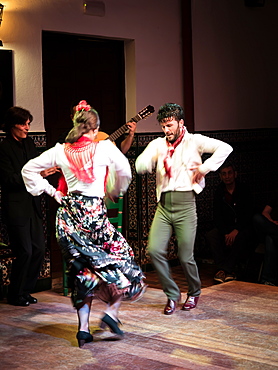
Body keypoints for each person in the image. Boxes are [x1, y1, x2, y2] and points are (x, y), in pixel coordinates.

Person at [22, 100, 146, 347]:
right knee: (123, 262)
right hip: (94, 219)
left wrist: (53, 193)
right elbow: (125, 173)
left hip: (68, 221)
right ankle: (111, 313)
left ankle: (83, 330)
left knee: (84, 274)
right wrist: (113, 190)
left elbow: (28, 169)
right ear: (95, 128)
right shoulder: (105, 148)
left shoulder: (60, 150)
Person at [135, 103, 233, 315]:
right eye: (163, 126)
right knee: (154, 251)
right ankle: (172, 294)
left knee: (185, 255)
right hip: (163, 207)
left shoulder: (194, 141)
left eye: (169, 125)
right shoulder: (158, 145)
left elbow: (226, 148)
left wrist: (205, 168)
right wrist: (146, 162)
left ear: (180, 123)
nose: (166, 130)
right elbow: (141, 163)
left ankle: (194, 291)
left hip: (186, 205)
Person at [0, 106, 58, 306]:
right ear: (12, 126)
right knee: (24, 250)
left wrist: (46, 172)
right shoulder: (4, 148)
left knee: (39, 249)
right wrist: (37, 175)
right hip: (16, 207)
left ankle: (26, 290)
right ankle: (15, 294)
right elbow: (9, 180)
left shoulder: (29, 144)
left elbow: (37, 168)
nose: (27, 128)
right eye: (23, 124)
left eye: (28, 124)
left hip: (33, 204)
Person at [206, 162, 254, 284]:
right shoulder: (219, 192)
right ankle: (225, 270)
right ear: (221, 176)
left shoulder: (244, 190)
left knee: (243, 236)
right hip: (226, 228)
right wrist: (226, 233)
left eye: (229, 173)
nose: (227, 176)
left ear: (235, 174)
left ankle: (225, 269)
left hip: (242, 227)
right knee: (212, 235)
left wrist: (236, 230)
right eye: (224, 174)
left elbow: (248, 213)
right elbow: (217, 215)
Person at [253, 191, 278, 286]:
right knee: (257, 218)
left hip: (272, 233)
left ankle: (268, 280)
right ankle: (268, 280)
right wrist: (271, 222)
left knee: (270, 239)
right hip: (273, 227)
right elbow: (265, 212)